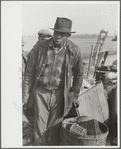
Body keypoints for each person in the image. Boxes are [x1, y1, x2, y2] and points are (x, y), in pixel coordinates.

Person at [22, 17, 83, 145]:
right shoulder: (40, 47)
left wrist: (74, 96)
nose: (58, 36)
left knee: (54, 129)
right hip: (41, 93)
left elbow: (79, 74)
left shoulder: (74, 51)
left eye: (62, 34)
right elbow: (29, 72)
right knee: (39, 128)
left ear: (68, 35)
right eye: (56, 32)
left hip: (60, 95)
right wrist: (26, 95)